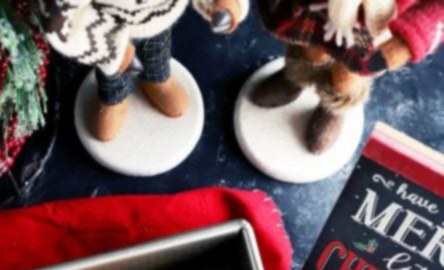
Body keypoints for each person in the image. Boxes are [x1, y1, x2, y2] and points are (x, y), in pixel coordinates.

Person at [252, 0, 444, 153]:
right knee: (309, 49)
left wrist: (417, 33)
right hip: (319, 6)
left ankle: (334, 108)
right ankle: (296, 78)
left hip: (375, 21)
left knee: (346, 76)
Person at [41, 0, 247, 140]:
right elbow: (58, 13)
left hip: (159, 15)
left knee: (157, 47)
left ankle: (157, 78)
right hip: (106, 20)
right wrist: (107, 46)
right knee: (114, 66)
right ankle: (113, 97)